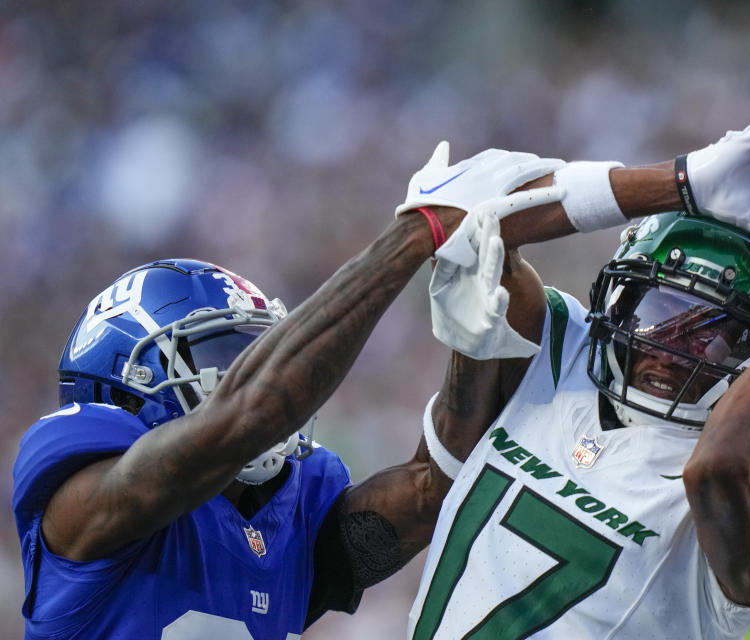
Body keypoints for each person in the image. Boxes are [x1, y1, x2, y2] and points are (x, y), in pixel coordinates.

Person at [400, 86, 750, 638]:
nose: (671, 346)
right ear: (619, 300)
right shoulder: (557, 350)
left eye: (716, 332)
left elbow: (719, 471)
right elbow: (459, 221)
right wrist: (681, 181)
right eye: (659, 309)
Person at [10, 150, 566, 639]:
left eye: (254, 354)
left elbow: (434, 489)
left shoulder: (283, 518)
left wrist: (478, 312)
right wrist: (417, 235)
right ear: (133, 386)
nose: (252, 375)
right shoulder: (81, 506)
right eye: (222, 361)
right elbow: (241, 422)